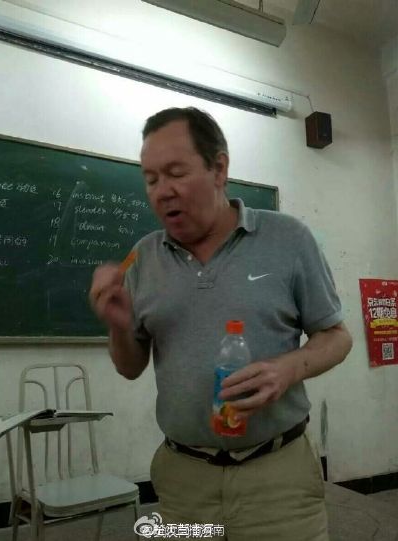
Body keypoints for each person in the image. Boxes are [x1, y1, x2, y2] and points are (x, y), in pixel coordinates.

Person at [89, 107, 352, 541]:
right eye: (151, 179)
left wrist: (289, 369)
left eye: (176, 173)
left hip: (278, 477)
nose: (162, 191)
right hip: (183, 481)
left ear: (219, 168)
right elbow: (130, 367)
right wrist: (118, 326)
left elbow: (337, 337)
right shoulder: (143, 258)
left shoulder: (288, 239)